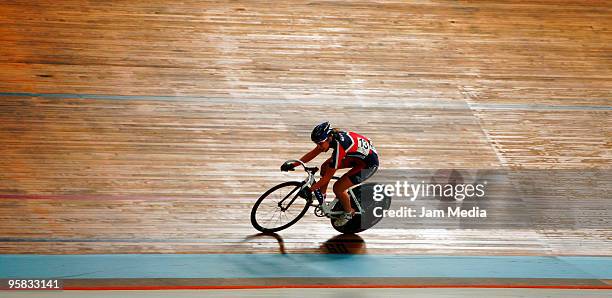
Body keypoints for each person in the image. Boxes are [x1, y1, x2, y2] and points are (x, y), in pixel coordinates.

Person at [280, 122, 379, 226]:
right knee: (325, 167)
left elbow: (327, 178)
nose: (319, 146)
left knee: (338, 188)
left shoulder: (340, 147)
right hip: (356, 156)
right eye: (317, 143)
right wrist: (294, 164)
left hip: (368, 165)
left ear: (328, 138)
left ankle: (349, 213)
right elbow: (314, 152)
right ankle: (322, 194)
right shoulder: (330, 138)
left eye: (320, 143)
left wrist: (310, 190)